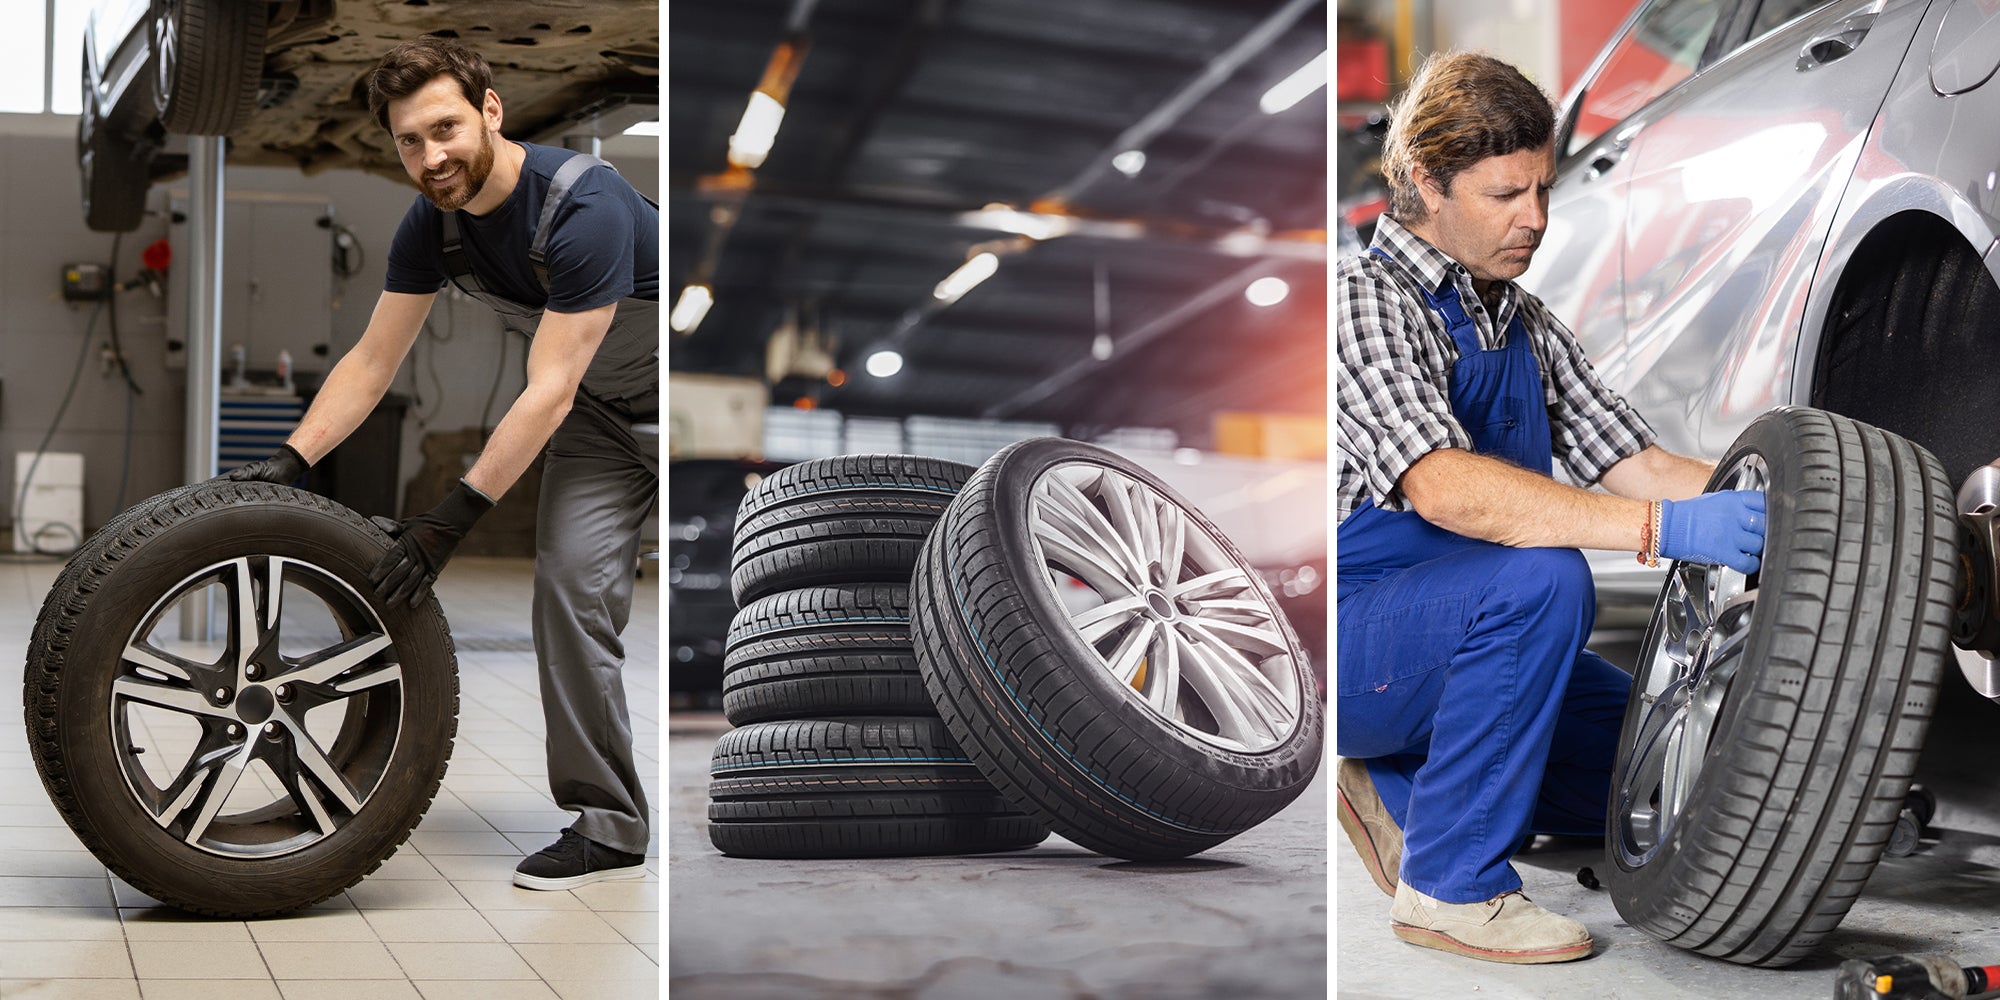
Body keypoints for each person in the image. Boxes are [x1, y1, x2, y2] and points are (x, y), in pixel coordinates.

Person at [1334, 51, 1765, 963]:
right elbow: (1444, 487)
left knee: (1669, 756)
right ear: (1424, 182)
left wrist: (1791, 497)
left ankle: (1404, 781)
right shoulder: (1359, 301)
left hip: (1465, 639)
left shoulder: (1522, 321)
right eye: (1504, 195)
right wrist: (1664, 534)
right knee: (1541, 580)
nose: (1534, 220)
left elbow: (1637, 460)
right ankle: (1449, 889)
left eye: (1543, 190)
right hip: (1356, 648)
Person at [226, 35, 658, 891]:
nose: (432, 157)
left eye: (447, 129)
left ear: (491, 111)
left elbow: (548, 389)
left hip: (678, 406)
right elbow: (372, 360)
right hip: (605, 427)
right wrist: (290, 458)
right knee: (570, 595)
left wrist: (448, 521)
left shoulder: (584, 207)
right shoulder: (433, 226)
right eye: (409, 142)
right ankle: (611, 825)